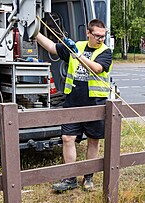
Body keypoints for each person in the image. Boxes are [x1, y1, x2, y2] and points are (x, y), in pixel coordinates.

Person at [35, 19, 113, 192]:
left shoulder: (105, 52)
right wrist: (35, 33)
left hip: (95, 104)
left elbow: (97, 69)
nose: (101, 39)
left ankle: (88, 178)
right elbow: (52, 47)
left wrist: (78, 55)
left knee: (93, 141)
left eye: (103, 36)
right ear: (88, 33)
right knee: (67, 138)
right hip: (72, 103)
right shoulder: (76, 45)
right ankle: (70, 178)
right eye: (97, 35)